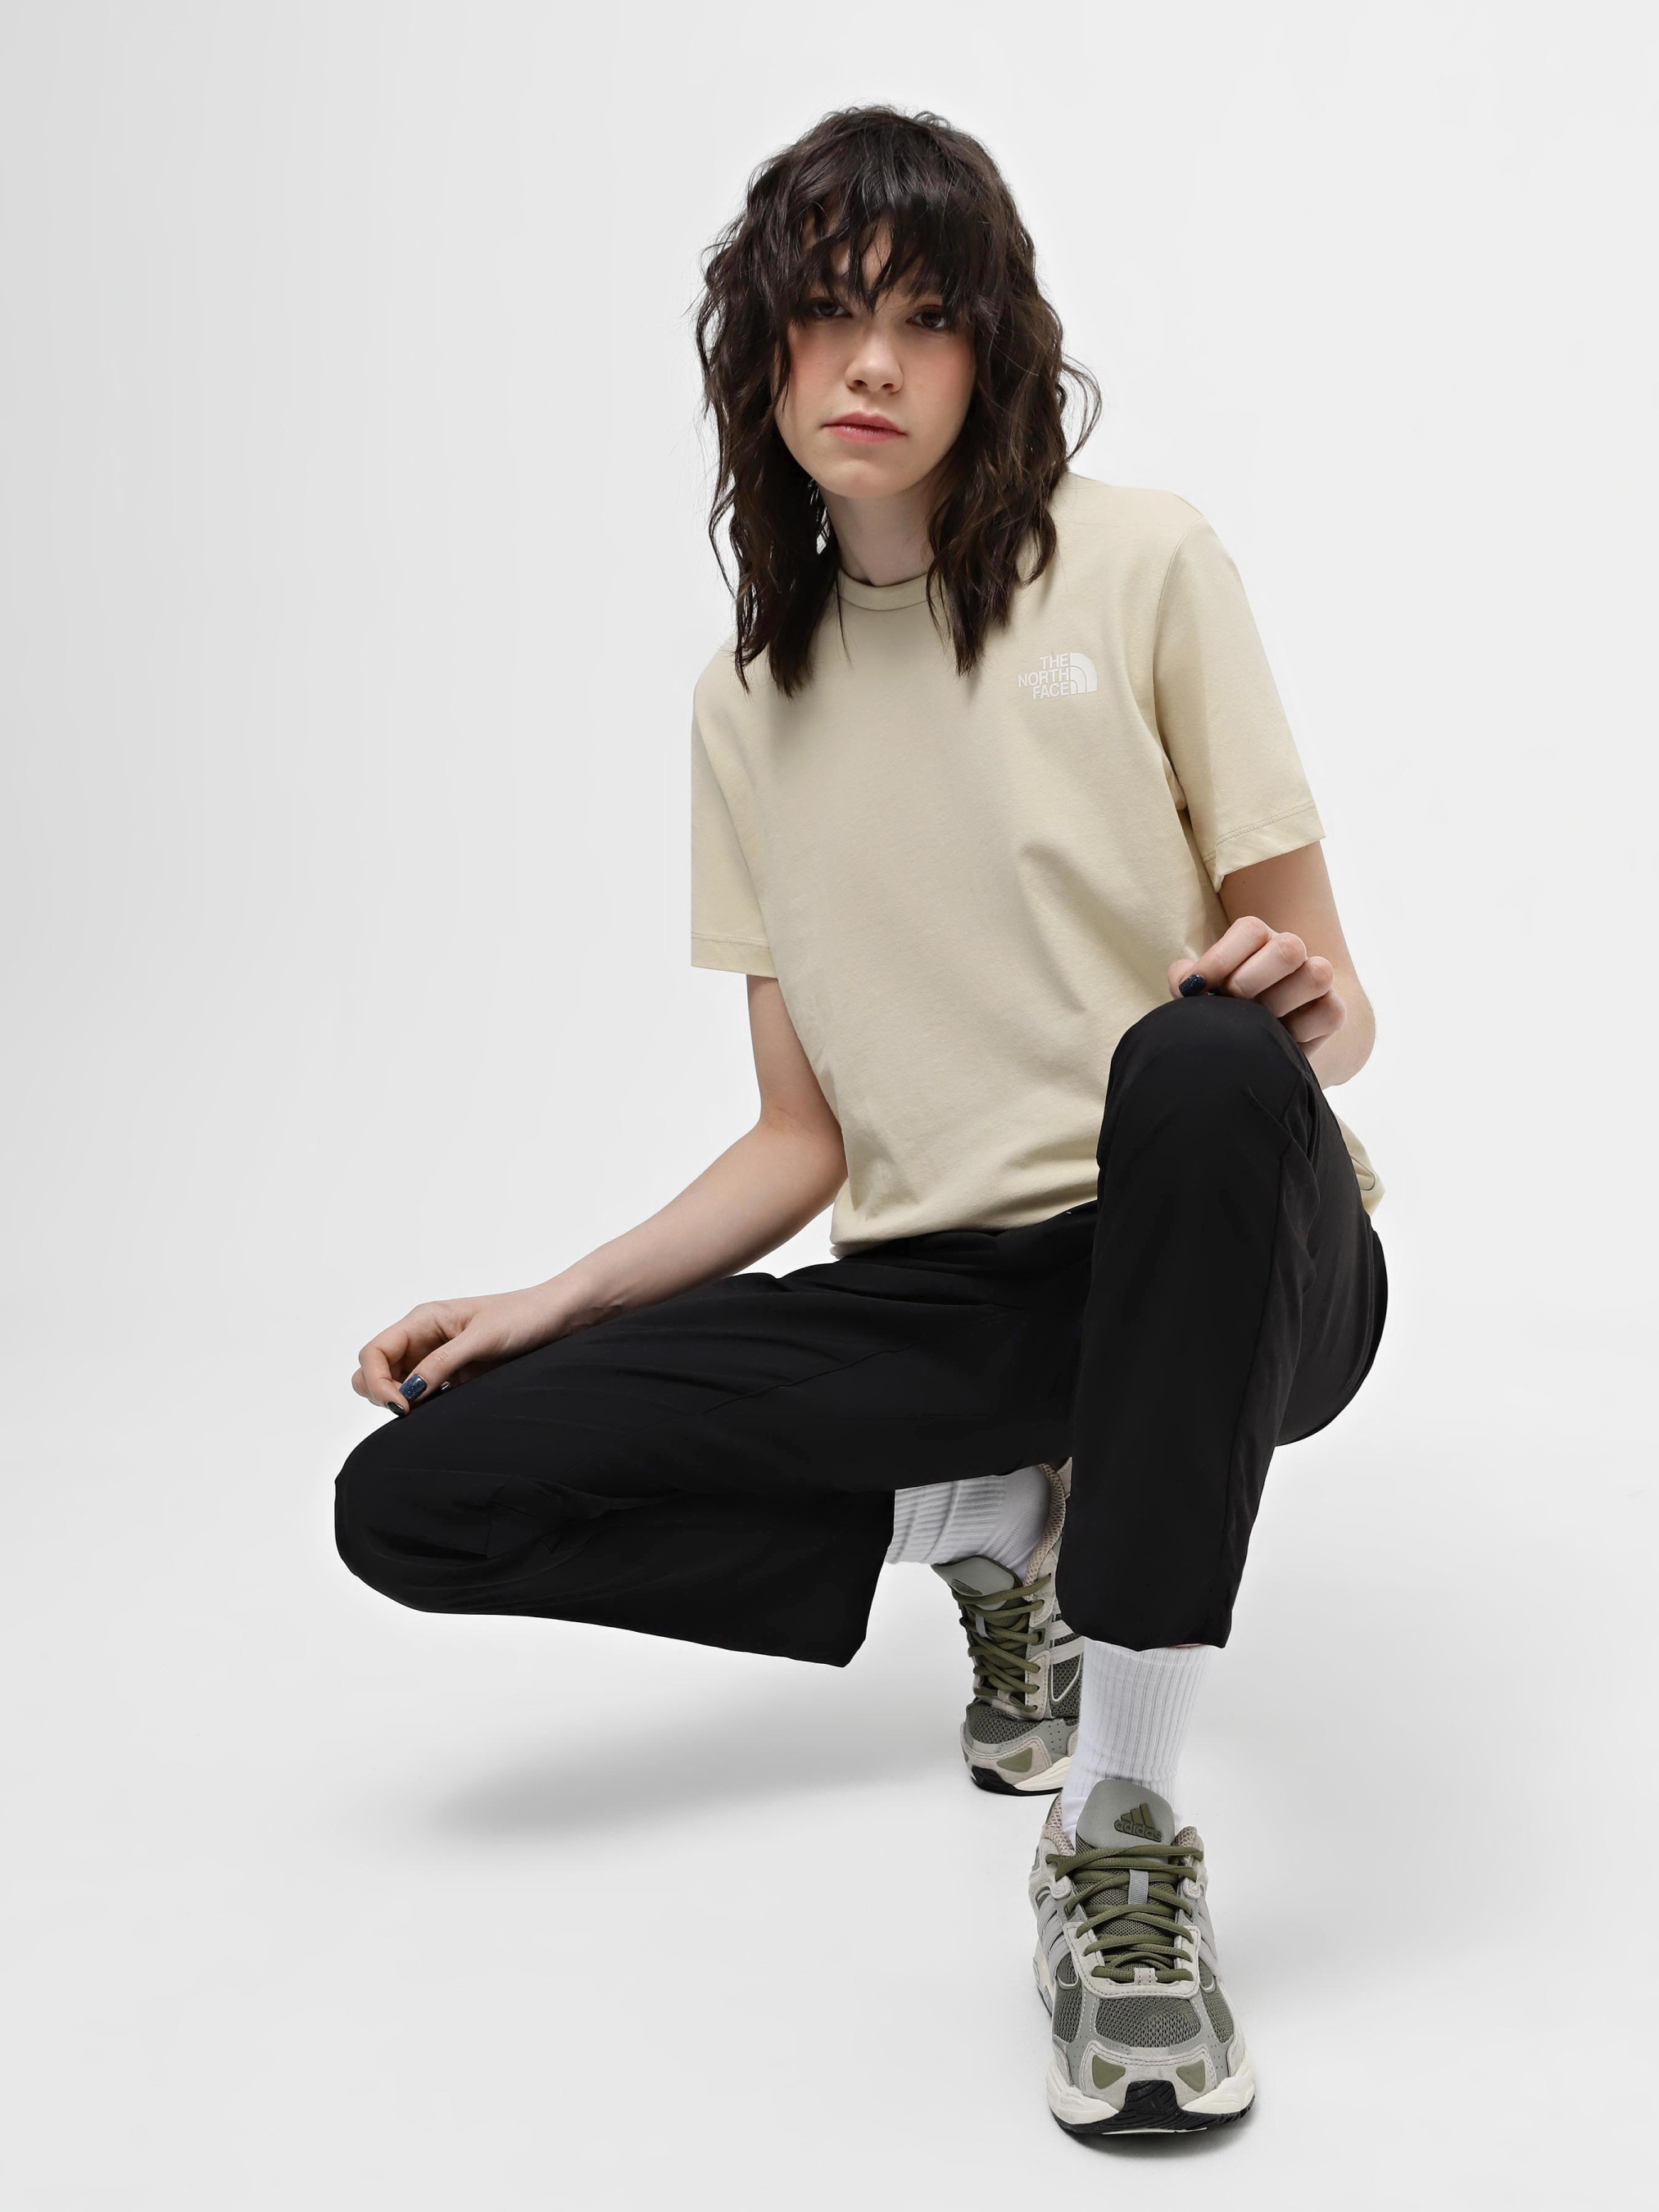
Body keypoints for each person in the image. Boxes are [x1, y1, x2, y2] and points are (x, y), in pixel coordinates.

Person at [333, 105, 1387, 2140]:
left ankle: (1118, 1822)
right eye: (826, 316)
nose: (873, 365)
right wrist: (555, 1300)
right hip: (964, 1301)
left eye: (924, 319)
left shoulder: (1141, 565)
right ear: (764, 355)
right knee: (419, 1498)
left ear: (994, 351)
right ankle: (975, 1526)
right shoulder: (749, 703)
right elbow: (799, 1141)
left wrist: (1295, 1011)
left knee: (1190, 1062)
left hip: (1240, 1251)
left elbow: (1329, 1007)